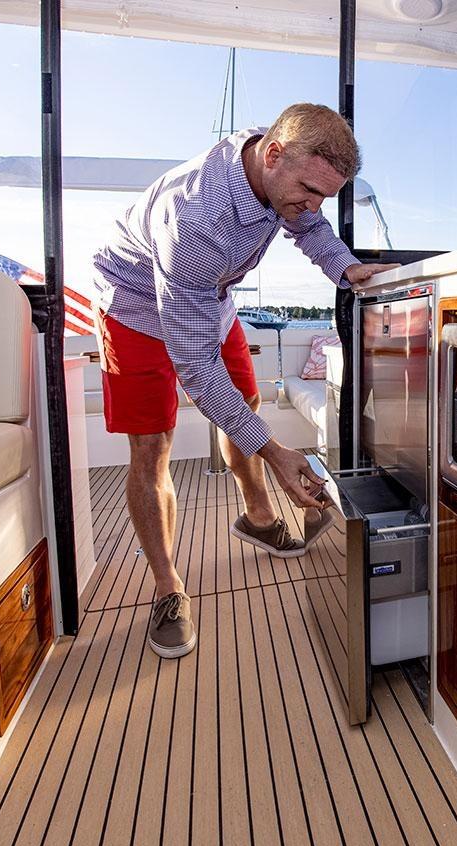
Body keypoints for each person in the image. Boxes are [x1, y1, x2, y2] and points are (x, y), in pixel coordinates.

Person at [92, 103, 397, 659]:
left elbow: (308, 225)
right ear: (273, 156)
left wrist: (345, 267)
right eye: (309, 188)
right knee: (152, 447)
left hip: (210, 298)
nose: (313, 205)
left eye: (324, 194)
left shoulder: (275, 162)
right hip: (133, 308)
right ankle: (167, 587)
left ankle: (259, 518)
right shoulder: (193, 219)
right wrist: (276, 450)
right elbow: (197, 368)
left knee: (246, 407)